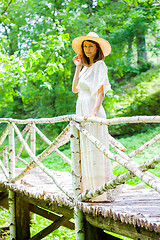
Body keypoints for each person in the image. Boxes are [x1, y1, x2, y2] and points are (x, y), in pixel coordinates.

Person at [72, 32, 117, 202]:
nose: (88, 49)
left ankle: (100, 192)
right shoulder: (85, 67)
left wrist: (94, 111)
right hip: (80, 106)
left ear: (97, 48)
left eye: (91, 46)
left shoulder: (99, 65)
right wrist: (77, 67)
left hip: (92, 108)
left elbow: (100, 92)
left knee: (96, 147)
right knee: (84, 148)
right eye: (85, 46)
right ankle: (88, 189)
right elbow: (75, 89)